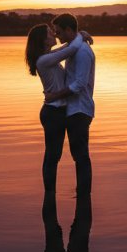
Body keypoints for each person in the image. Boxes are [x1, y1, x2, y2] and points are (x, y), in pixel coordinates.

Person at [25, 23, 91, 193]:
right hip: (53, 113)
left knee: (55, 156)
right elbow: (71, 49)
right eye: (49, 32)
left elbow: (68, 46)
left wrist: (79, 33)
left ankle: (51, 197)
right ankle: (49, 193)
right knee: (52, 156)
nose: (54, 33)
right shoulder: (45, 60)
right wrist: (80, 35)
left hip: (58, 112)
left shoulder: (48, 56)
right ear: (44, 40)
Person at [45, 13, 95, 195]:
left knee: (81, 156)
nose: (57, 36)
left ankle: (84, 195)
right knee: (78, 156)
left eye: (59, 32)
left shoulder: (82, 52)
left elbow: (79, 84)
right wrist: (81, 34)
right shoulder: (74, 48)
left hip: (80, 110)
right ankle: (82, 194)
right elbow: (66, 47)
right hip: (73, 110)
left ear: (68, 29)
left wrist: (54, 95)